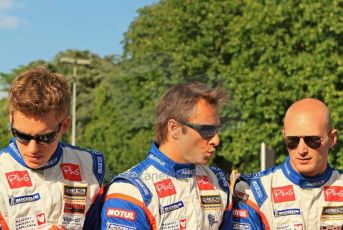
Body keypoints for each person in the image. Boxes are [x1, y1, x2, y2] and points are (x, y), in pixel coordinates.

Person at [101, 82, 230, 229]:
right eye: (207, 130)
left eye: (217, 130)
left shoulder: (217, 181)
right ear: (174, 129)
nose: (216, 140)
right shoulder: (131, 191)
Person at [0, 66, 105, 230]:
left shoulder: (91, 166)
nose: (32, 148)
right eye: (22, 136)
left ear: (64, 125)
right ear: (11, 119)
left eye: (44, 138)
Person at [221, 98, 341, 229]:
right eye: (292, 141)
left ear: (332, 139)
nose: (301, 150)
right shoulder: (253, 189)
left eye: (312, 140)